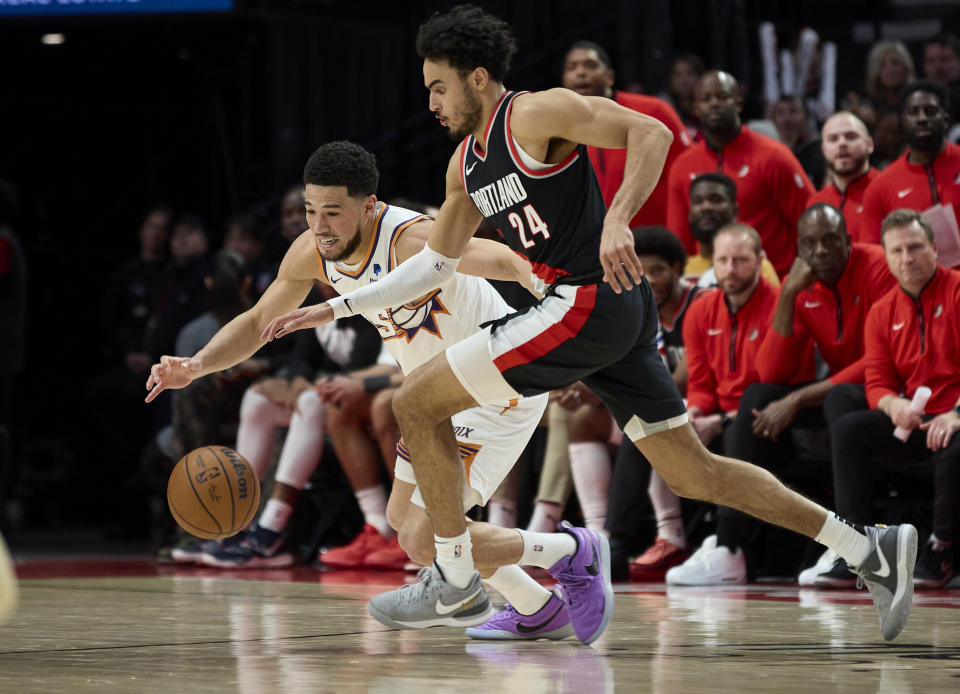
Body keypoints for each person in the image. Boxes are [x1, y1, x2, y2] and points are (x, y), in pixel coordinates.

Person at [261, 4, 918, 642]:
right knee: (695, 473)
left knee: (415, 398)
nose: (431, 101)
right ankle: (868, 547)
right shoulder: (463, 165)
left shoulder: (536, 111)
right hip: (607, 315)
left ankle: (456, 577)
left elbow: (651, 133)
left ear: (478, 78)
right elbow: (438, 264)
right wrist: (336, 305)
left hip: (586, 300)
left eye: (439, 86)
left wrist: (618, 216)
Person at [146, 141, 579, 642]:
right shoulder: (313, 250)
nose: (319, 225)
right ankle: (539, 606)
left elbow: (499, 258)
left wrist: (549, 296)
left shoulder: (412, 240)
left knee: (422, 537)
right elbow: (260, 321)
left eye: (333, 212)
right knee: (401, 519)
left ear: (369, 205)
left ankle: (575, 552)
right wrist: (197, 365)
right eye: (311, 210)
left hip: (495, 390)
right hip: (436, 401)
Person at [747, 203, 896, 584]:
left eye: (831, 241)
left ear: (848, 241)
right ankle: (736, 546)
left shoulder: (878, 265)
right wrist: (788, 293)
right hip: (843, 392)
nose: (821, 252)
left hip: (890, 386)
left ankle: (852, 540)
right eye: (810, 244)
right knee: (758, 399)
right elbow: (771, 371)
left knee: (837, 399)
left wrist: (797, 399)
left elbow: (881, 358)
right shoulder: (801, 283)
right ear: (799, 251)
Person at [666, 224, 814, 585]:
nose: (731, 269)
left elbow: (776, 381)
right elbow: (701, 384)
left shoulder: (781, 304)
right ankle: (626, 539)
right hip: (722, 418)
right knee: (661, 422)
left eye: (741, 260)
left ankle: (728, 547)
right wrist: (696, 413)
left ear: (760, 261)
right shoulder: (701, 310)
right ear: (712, 265)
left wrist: (721, 419)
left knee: (750, 402)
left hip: (770, 422)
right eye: (723, 261)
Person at [826, 210, 960, 589]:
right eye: (897, 250)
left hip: (954, 419)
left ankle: (941, 549)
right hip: (918, 421)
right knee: (850, 427)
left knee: (955, 443)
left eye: (915, 247)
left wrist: (956, 415)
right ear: (885, 256)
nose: (907, 258)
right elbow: (877, 383)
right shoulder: (882, 311)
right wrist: (893, 405)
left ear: (934, 248)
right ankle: (856, 544)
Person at [666, 71, 815, 278]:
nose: (714, 104)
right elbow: (679, 241)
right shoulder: (682, 166)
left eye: (722, 97)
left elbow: (809, 222)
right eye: (706, 99)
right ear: (696, 108)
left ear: (738, 103)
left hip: (773, 283)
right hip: (704, 289)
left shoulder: (774, 157)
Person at [561, 40, 691, 226]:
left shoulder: (654, 110)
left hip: (656, 240)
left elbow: (688, 171)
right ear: (564, 81)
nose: (580, 72)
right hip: (596, 247)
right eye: (572, 68)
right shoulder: (560, 129)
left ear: (610, 77)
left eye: (591, 65)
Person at [862, 80, 960, 250]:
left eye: (930, 111)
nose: (922, 118)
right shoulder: (881, 187)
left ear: (946, 119)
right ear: (902, 121)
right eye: (913, 112)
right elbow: (875, 255)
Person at [683, 172, 781, 287]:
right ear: (689, 213)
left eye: (716, 200)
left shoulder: (757, 267)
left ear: (735, 211)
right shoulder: (681, 270)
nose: (706, 207)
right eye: (698, 201)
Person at [808, 112, 878, 243]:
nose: (842, 144)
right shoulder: (816, 204)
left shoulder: (887, 189)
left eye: (851, 137)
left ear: (869, 145)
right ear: (823, 150)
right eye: (833, 139)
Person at [865, 40, 915, 109]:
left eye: (895, 62)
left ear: (906, 67)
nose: (890, 70)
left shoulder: (917, 103)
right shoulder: (869, 107)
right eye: (883, 65)